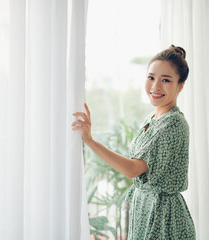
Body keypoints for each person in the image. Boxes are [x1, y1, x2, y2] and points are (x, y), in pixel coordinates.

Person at [71, 45, 196, 239]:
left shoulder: (173, 124)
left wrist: (90, 140)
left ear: (180, 86)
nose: (155, 86)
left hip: (163, 218)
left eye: (166, 80)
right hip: (146, 209)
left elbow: (133, 169)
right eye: (151, 77)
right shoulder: (153, 119)